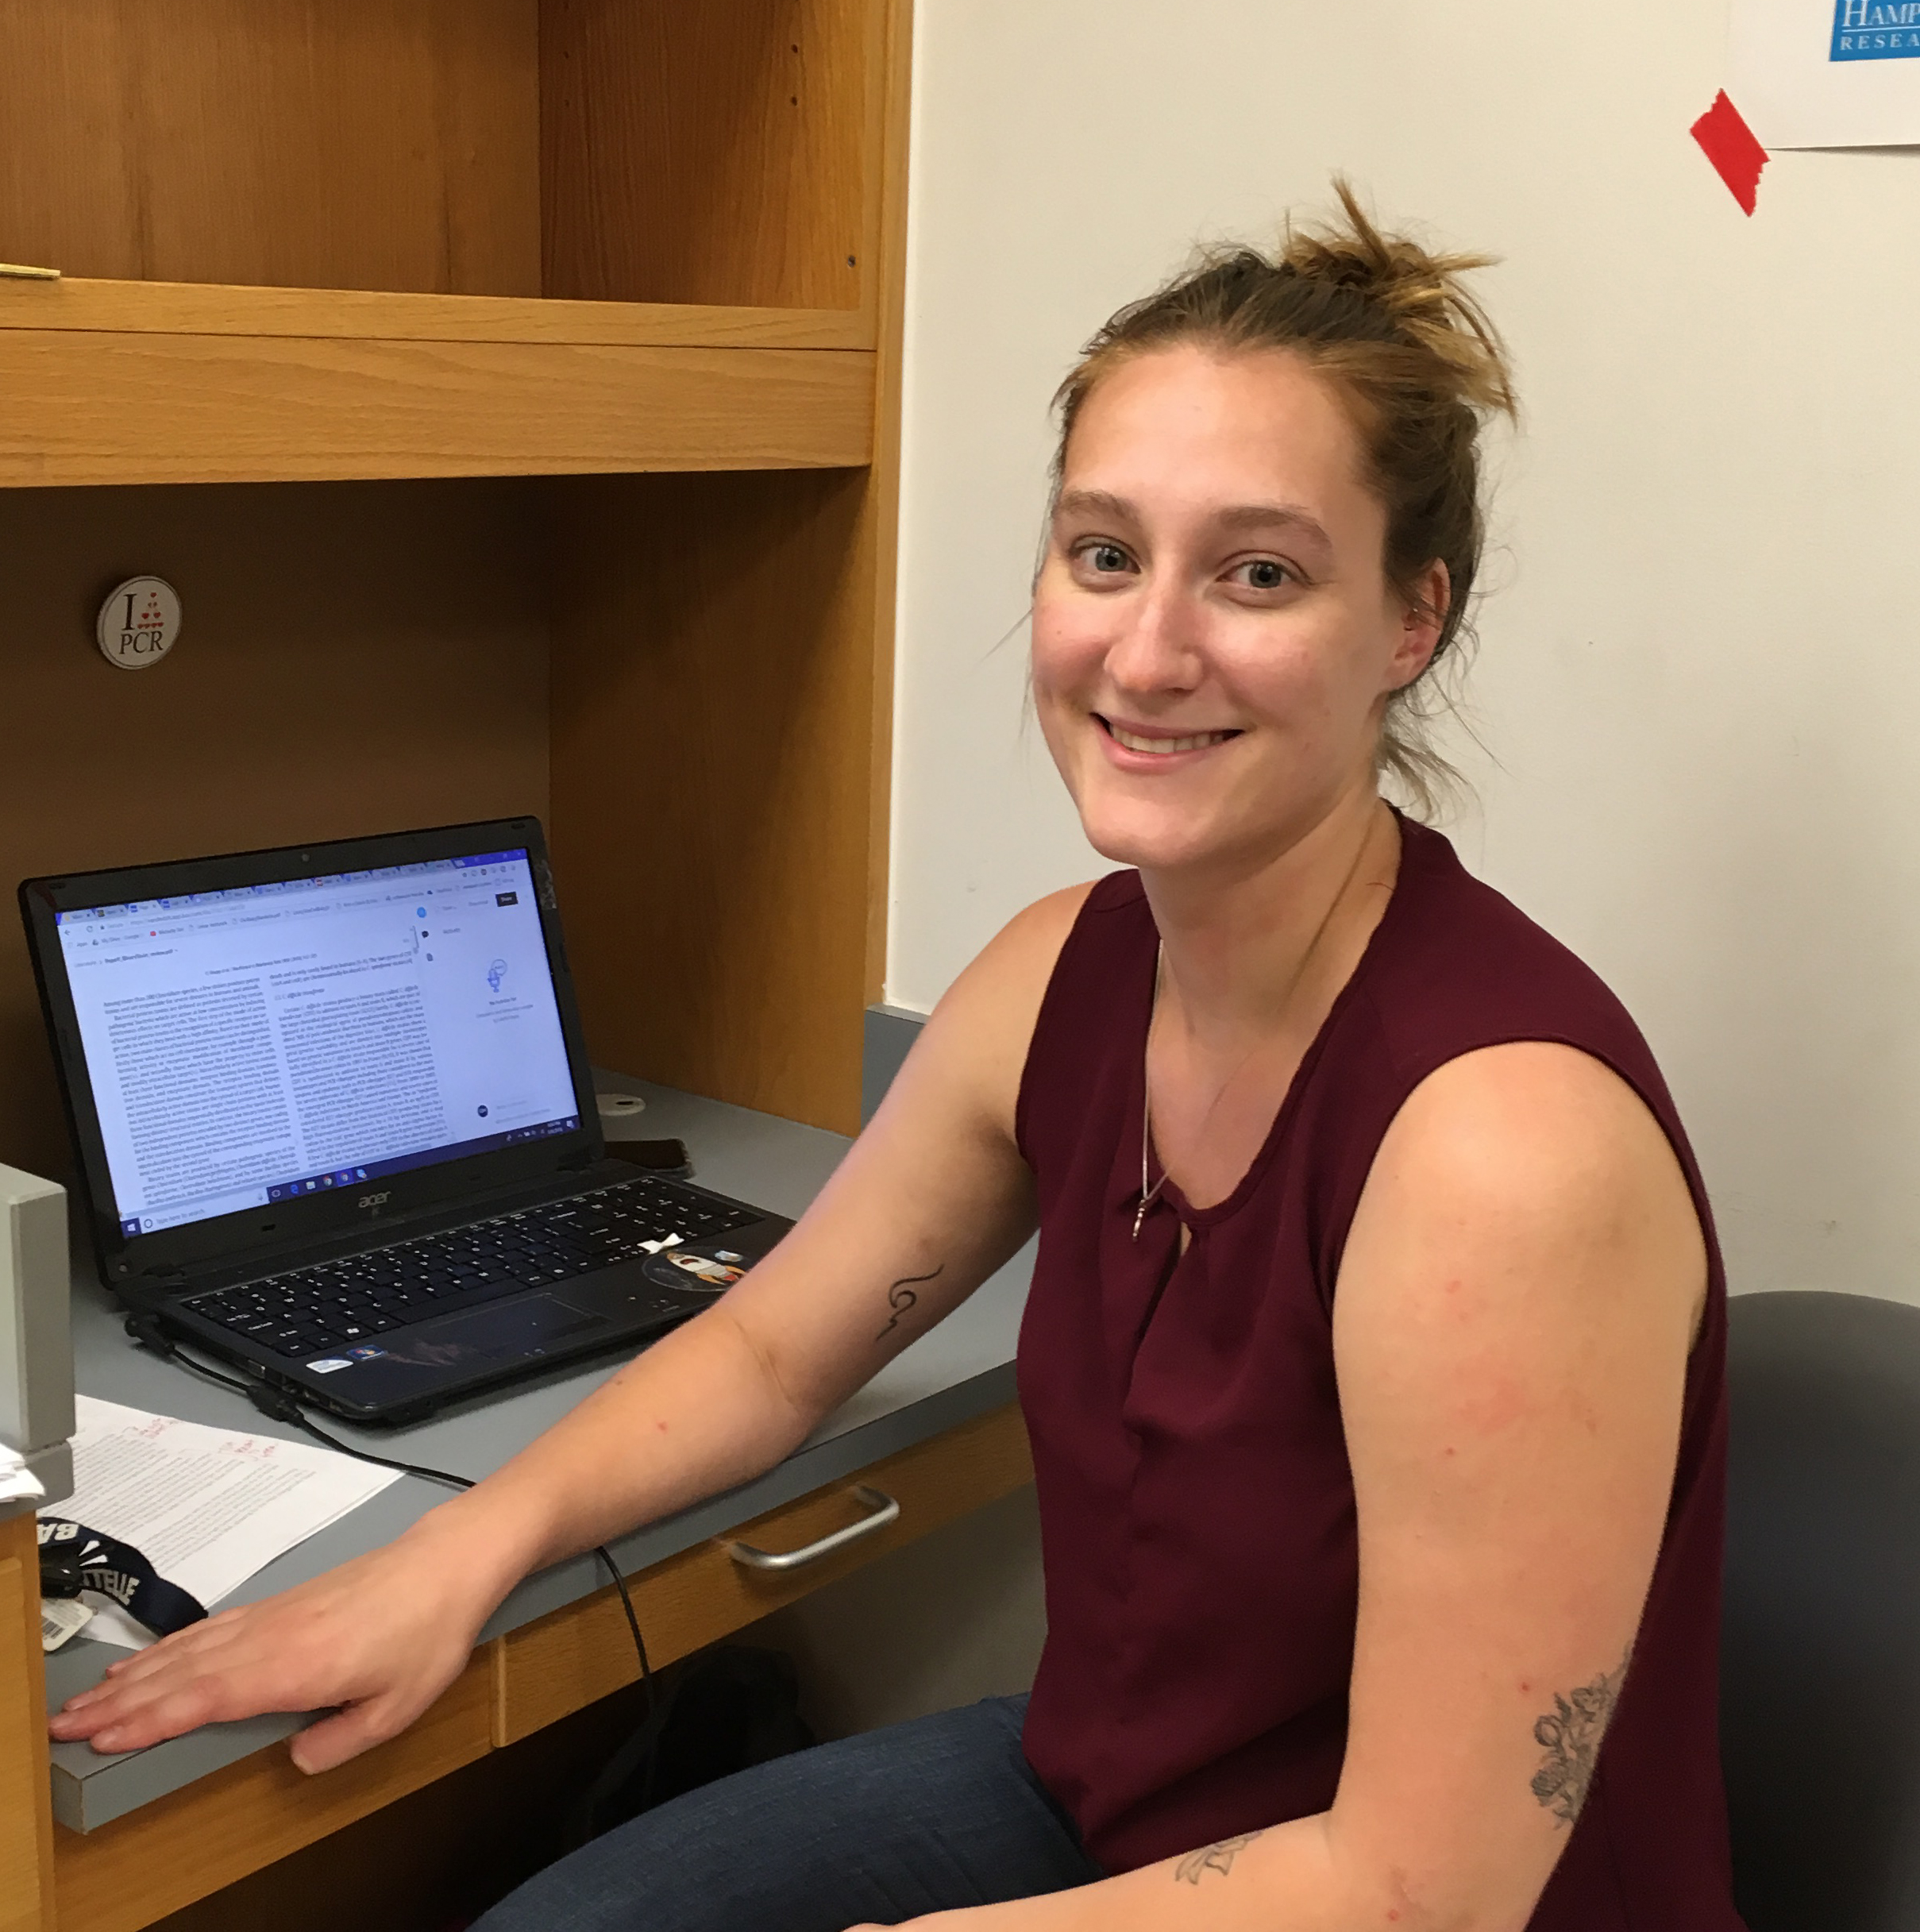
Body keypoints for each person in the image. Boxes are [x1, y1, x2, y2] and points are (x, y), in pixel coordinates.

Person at [51, 185, 1744, 1931]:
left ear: (1408, 621)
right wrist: (448, 1559)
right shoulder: (1062, 977)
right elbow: (773, 1348)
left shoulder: (1501, 1151)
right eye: (1104, 554)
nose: (1147, 650)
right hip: (1109, 1813)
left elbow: (1424, 1888)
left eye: (1259, 573)